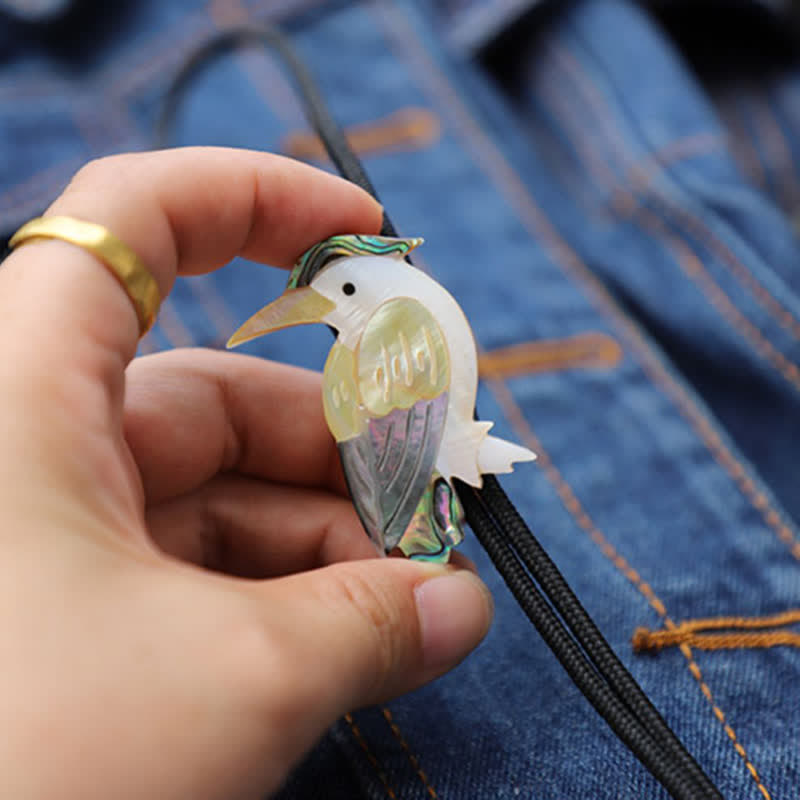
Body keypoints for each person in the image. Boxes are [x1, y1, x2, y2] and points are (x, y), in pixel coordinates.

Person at [0, 147, 493, 799]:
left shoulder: (401, 318)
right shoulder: (361, 349)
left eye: (340, 291)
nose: (331, 307)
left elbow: (405, 444)